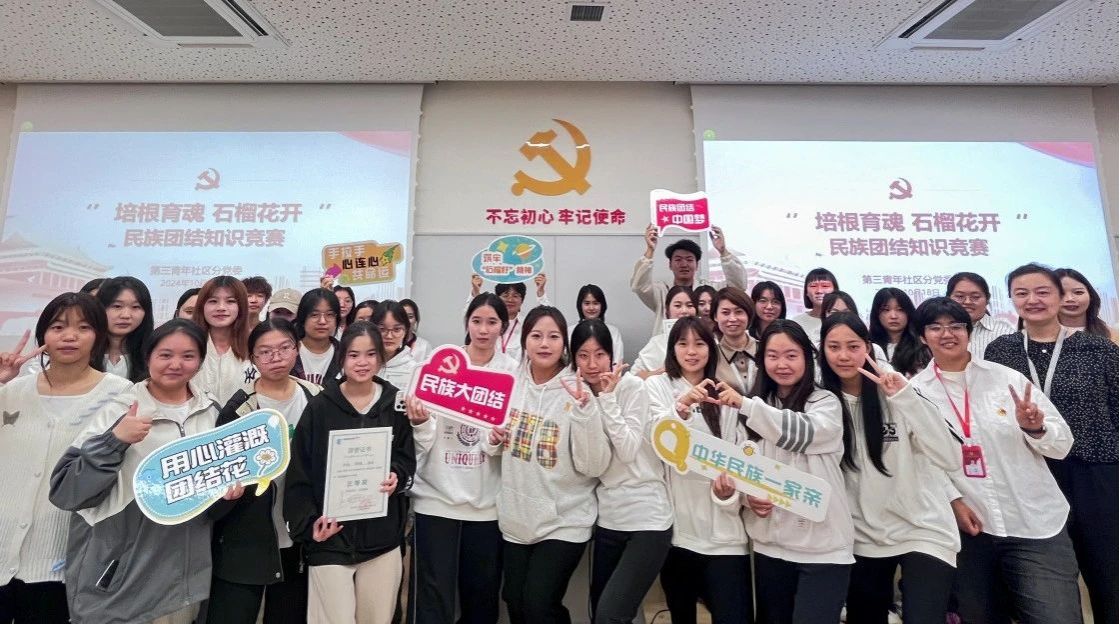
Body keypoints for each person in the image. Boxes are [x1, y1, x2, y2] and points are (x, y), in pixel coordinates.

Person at [51, 319, 238, 624]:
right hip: (119, 587)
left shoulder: (213, 413)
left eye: (188, 356)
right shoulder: (120, 409)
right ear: (148, 356)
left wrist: (227, 495)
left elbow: (212, 499)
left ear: (200, 361)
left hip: (181, 587)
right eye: (165, 355)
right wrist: (115, 440)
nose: (175, 364)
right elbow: (66, 490)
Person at [910, 297, 1081, 624]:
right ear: (922, 336)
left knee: (1056, 617)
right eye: (935, 327)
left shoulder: (1007, 379)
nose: (947, 334)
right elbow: (921, 461)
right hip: (970, 530)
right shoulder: (915, 393)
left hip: (1034, 522)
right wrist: (954, 500)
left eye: (956, 326)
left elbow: (1062, 444)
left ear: (969, 331)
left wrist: (1035, 428)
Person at [984, 264, 1118, 624]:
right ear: (1011, 300)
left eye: (1042, 291)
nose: (1033, 300)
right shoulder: (1001, 351)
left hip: (1095, 473)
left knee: (1108, 575)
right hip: (1030, 476)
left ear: (1060, 296)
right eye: (1022, 293)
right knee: (1049, 584)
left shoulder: (1098, 349)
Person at [818, 312, 960, 624]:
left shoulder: (898, 390)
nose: (844, 356)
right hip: (863, 536)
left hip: (923, 528)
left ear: (868, 347)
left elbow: (950, 457)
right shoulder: (820, 402)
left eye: (853, 346)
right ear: (822, 351)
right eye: (834, 347)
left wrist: (905, 397)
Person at [0, 293, 130, 624]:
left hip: (62, 558)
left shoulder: (120, 395)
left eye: (83, 327)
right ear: (43, 334)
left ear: (99, 336)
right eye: (58, 327)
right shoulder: (12, 390)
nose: (69, 336)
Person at [714, 320, 853, 624]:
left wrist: (747, 406)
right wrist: (745, 497)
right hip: (770, 549)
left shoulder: (825, 402)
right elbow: (741, 467)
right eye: (773, 356)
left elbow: (801, 433)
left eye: (791, 355)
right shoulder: (752, 408)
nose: (782, 364)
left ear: (807, 358)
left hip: (822, 550)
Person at [485, 307, 610, 624]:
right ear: (524, 340)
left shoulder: (577, 390)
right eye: (536, 335)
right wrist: (493, 438)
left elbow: (594, 465)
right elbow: (490, 444)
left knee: (539, 605)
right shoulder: (509, 384)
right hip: (516, 519)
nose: (544, 344)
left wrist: (585, 411)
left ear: (564, 343)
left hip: (564, 519)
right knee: (514, 601)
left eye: (553, 336)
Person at [284, 322, 415, 624]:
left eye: (371, 354)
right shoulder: (320, 407)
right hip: (330, 538)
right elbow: (300, 472)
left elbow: (407, 458)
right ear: (341, 358)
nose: (362, 362)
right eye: (354, 355)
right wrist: (310, 525)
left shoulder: (395, 404)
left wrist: (396, 475)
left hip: (382, 538)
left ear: (381, 357)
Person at [405, 293, 516, 624]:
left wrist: (496, 441)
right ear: (467, 323)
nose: (483, 329)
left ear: (503, 326)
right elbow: (423, 439)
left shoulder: (512, 373)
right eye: (476, 321)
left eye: (492, 322)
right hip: (435, 500)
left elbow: (506, 438)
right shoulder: (443, 363)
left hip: (487, 505)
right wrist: (421, 423)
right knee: (432, 598)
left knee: (481, 597)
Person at [207, 319, 320, 624]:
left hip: (299, 531)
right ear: (253, 358)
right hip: (247, 535)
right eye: (265, 352)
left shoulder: (316, 397)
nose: (276, 358)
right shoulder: (238, 409)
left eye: (284, 348)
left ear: (297, 349)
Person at [645, 316, 751, 624]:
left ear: (712, 349)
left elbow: (740, 455)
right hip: (679, 532)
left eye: (700, 343)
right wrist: (681, 408)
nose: (691, 351)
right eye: (683, 344)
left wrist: (728, 495)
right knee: (682, 614)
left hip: (725, 534)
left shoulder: (727, 392)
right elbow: (654, 440)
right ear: (672, 349)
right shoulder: (657, 386)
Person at [570, 320, 671, 624]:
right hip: (609, 518)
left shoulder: (631, 387)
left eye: (599, 354)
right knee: (600, 611)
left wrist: (607, 398)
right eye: (583, 355)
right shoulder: (577, 394)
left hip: (648, 519)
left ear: (612, 356)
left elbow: (627, 450)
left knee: (610, 616)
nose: (592, 364)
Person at [631, 225, 747, 336]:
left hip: (705, 345)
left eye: (689, 259)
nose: (684, 264)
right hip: (667, 346)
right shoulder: (661, 291)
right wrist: (650, 251)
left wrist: (723, 252)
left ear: (697, 265)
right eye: (678, 260)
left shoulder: (710, 289)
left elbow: (738, 285)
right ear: (670, 265)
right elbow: (639, 286)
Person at [193, 276, 258, 405]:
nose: (221, 307)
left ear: (241, 307)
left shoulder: (256, 345)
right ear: (202, 306)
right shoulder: (188, 345)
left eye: (230, 301)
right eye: (213, 301)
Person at [469, 274, 550, 363]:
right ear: (497, 299)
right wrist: (476, 291)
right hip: (490, 368)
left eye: (515, 296)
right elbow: (473, 314)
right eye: (505, 295)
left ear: (522, 300)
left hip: (519, 370)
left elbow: (546, 317)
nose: (510, 300)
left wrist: (541, 292)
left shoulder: (527, 324)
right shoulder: (490, 322)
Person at [96, 276, 154, 382]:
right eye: (117, 306)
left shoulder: (153, 355)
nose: (126, 315)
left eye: (135, 307)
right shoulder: (84, 352)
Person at [945, 272, 1015, 359]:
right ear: (948, 299)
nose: (967, 302)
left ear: (987, 299)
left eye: (975, 297)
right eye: (960, 296)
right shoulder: (936, 331)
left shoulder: (1005, 332)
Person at [632, 286, 695, 379]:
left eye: (690, 305)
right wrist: (658, 373)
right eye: (677, 306)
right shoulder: (657, 342)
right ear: (667, 310)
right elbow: (634, 375)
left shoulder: (707, 340)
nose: (684, 311)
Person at [869, 288, 930, 377]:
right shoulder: (869, 347)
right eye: (886, 310)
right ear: (876, 314)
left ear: (909, 313)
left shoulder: (922, 347)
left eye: (900, 309)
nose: (893, 316)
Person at [711, 287, 757, 394]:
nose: (732, 319)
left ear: (748, 314)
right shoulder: (711, 355)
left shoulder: (765, 349)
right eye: (725, 313)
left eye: (739, 312)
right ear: (715, 316)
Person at [291, 289, 341, 386]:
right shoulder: (288, 351)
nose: (322, 321)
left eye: (329, 315)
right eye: (314, 315)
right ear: (303, 318)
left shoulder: (344, 354)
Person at [371, 301, 417, 392]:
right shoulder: (362, 363)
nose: (389, 336)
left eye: (397, 329)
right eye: (382, 329)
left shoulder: (413, 370)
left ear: (405, 331)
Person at [573, 284, 625, 364]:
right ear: (580, 305)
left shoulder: (613, 332)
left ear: (602, 305)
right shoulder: (570, 331)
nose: (591, 308)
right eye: (587, 303)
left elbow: (617, 362)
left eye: (595, 303)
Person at [1055, 267, 1112, 339]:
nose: (1070, 299)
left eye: (1078, 292)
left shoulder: (1113, 336)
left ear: (1090, 296)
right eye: (1061, 293)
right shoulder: (1042, 337)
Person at [789, 268, 838, 345]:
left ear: (835, 291)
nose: (819, 291)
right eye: (813, 286)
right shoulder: (796, 322)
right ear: (806, 292)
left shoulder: (842, 319)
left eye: (825, 286)